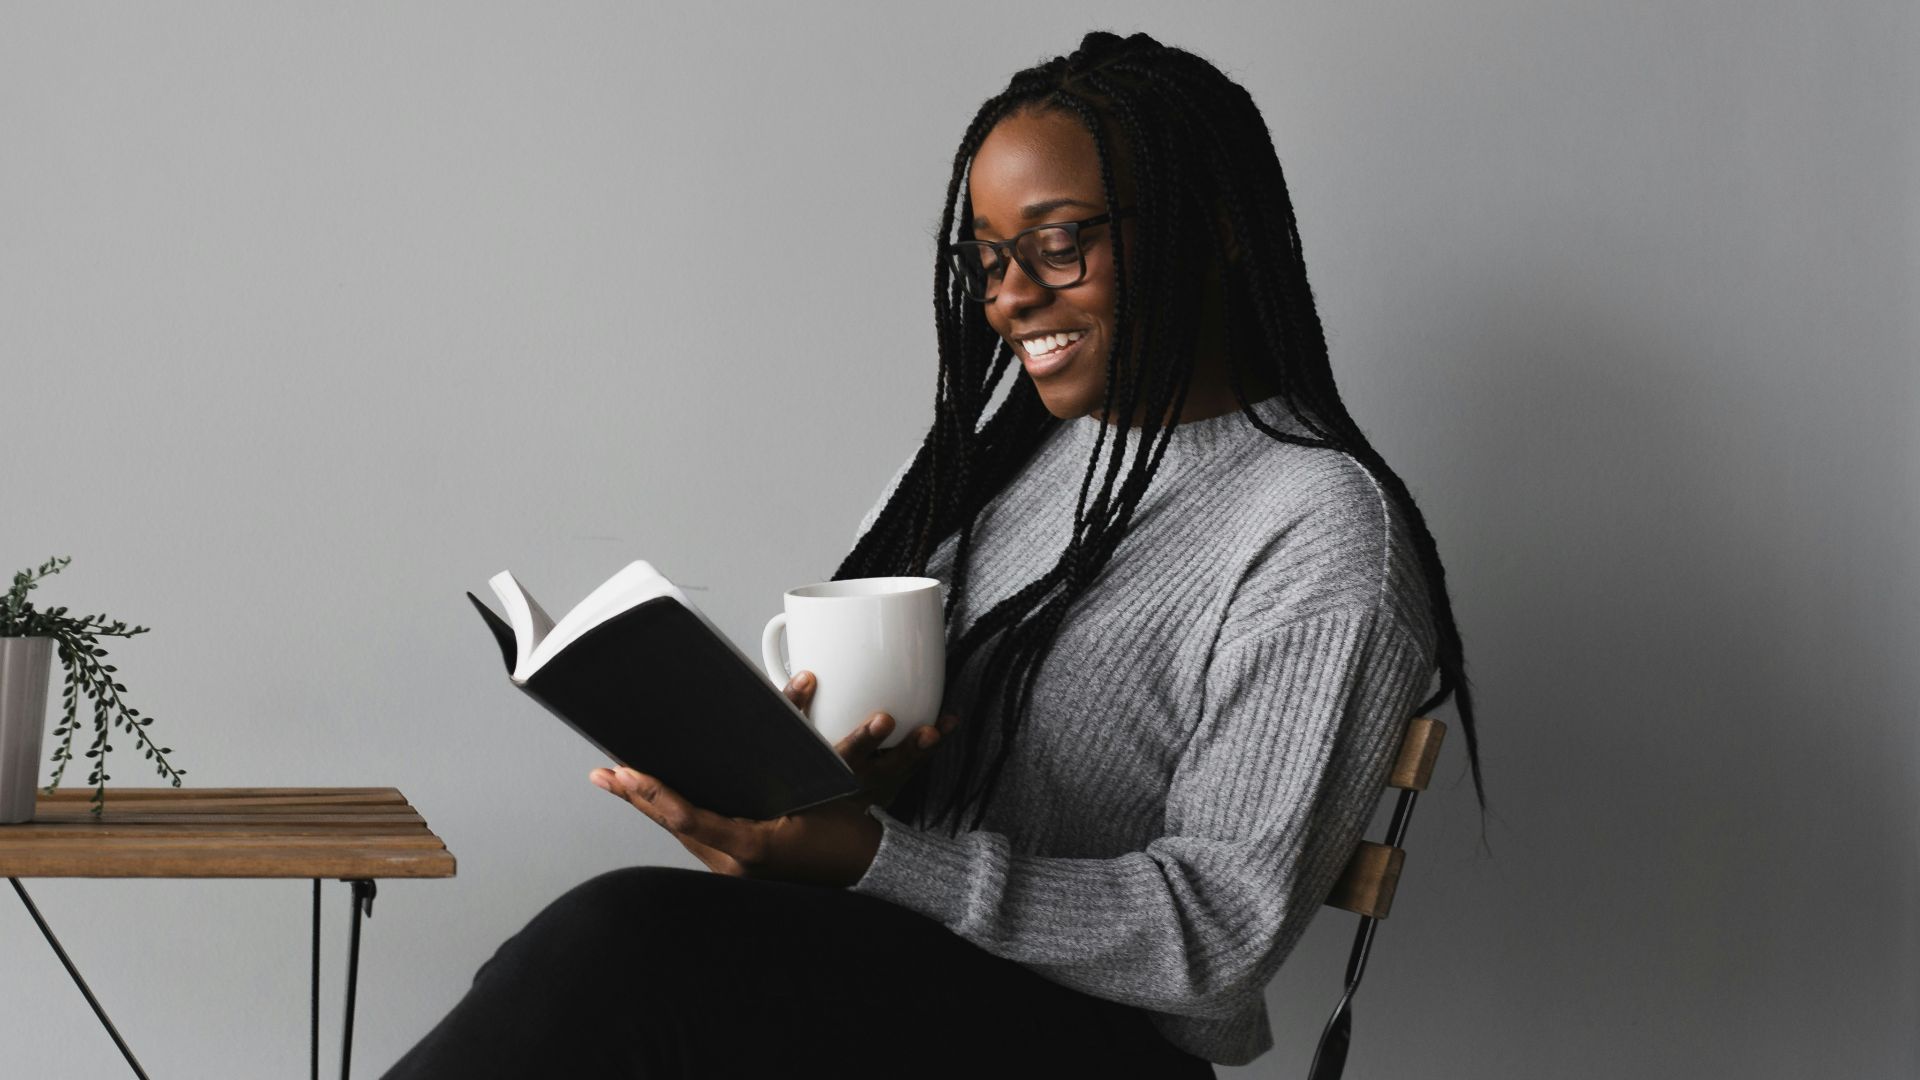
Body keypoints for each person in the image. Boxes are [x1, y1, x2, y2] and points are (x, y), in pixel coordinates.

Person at [382, 30, 1486, 1078]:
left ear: (1216, 229)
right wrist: (821, 796)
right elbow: (917, 806)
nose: (1009, 296)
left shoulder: (1319, 529)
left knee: (617, 948)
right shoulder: (1005, 464)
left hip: (1095, 1050)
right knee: (603, 973)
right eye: (990, 258)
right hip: (916, 990)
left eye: (1059, 245)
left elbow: (1219, 941)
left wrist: (871, 856)